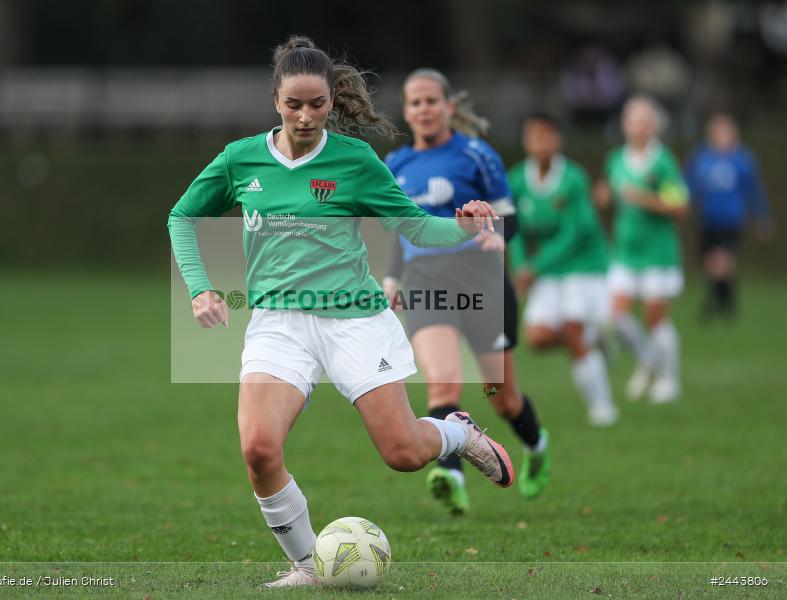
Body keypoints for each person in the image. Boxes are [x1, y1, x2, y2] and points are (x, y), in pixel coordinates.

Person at [168, 37, 514, 589]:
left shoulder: (354, 160)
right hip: (278, 324)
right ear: (275, 101)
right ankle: (307, 564)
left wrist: (464, 227)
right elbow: (182, 215)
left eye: (317, 105)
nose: (305, 116)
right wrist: (200, 288)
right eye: (293, 104)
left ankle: (455, 433)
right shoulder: (240, 159)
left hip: (355, 319)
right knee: (259, 448)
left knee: (402, 453)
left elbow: (414, 224)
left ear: (333, 101)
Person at [381, 69, 550, 511]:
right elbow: (401, 230)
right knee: (443, 384)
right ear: (407, 111)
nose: (424, 109)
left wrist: (498, 236)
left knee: (502, 397)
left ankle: (536, 446)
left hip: (481, 280)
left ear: (449, 107)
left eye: (431, 101)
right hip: (425, 283)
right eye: (415, 102)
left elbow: (509, 215)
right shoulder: (395, 165)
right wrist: (391, 278)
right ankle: (450, 476)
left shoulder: (476, 154)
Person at [508, 112, 617, 426]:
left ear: (558, 140)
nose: (539, 142)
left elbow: (574, 233)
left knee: (571, 331)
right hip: (548, 269)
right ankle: (593, 341)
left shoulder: (573, 179)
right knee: (537, 338)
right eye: (533, 136)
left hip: (584, 265)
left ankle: (602, 408)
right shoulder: (516, 179)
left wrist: (535, 267)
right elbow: (512, 229)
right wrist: (521, 267)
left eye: (546, 135)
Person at [595, 95, 689, 404]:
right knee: (614, 316)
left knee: (655, 319)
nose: (639, 127)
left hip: (658, 254)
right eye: (634, 120)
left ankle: (669, 379)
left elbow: (679, 208)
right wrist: (604, 197)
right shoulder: (615, 160)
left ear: (655, 126)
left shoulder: (663, 162)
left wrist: (644, 197)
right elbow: (609, 193)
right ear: (624, 125)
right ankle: (649, 359)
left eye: (645, 121)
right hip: (624, 252)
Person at [686, 113, 774, 319]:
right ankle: (726, 298)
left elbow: (753, 189)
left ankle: (714, 300)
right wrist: (683, 206)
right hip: (708, 217)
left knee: (723, 258)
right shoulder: (701, 158)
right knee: (710, 260)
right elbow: (689, 186)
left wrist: (763, 216)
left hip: (732, 217)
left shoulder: (742, 159)